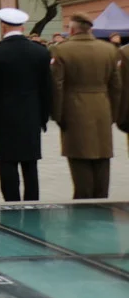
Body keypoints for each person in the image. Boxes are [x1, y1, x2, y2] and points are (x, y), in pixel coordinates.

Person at [0, 8, 52, 202]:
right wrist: (44, 116)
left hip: (4, 117)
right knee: (30, 164)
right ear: (23, 27)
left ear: (3, 26)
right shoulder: (40, 52)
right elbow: (47, 88)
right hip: (31, 114)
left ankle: (12, 204)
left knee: (7, 163)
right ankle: (32, 204)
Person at [50, 12, 120, 199]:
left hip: (74, 109)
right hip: (102, 108)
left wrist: (58, 115)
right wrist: (112, 113)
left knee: (79, 159)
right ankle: (102, 201)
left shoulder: (61, 50)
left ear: (72, 30)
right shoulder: (109, 50)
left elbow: (57, 86)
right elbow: (116, 87)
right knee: (102, 158)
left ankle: (84, 205)